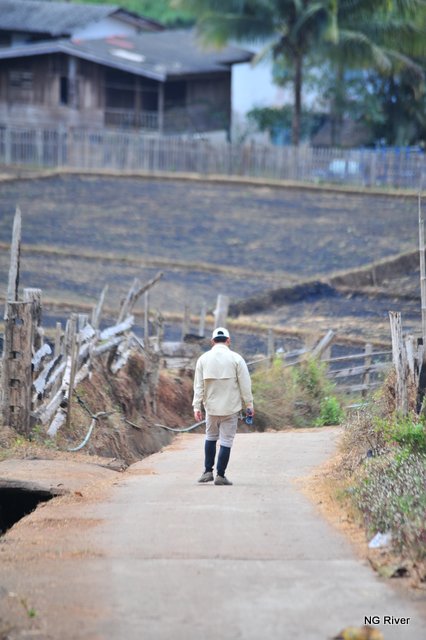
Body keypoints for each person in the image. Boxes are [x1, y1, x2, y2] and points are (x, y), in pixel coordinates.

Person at [193, 327, 254, 485]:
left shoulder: (203, 359)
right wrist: (249, 405)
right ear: (228, 341)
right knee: (226, 441)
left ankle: (207, 472)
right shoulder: (237, 359)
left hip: (211, 409)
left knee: (210, 437)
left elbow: (198, 386)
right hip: (230, 408)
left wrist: (196, 407)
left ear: (212, 342)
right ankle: (220, 475)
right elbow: (245, 385)